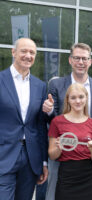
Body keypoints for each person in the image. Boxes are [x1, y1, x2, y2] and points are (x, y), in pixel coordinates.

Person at [43, 43, 92, 200]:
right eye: (77, 58)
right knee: (54, 194)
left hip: (87, 157)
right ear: (70, 60)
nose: (81, 62)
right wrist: (49, 110)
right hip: (62, 153)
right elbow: (52, 118)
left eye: (84, 58)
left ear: (90, 62)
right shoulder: (56, 84)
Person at [0, 38, 48, 200]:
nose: (28, 55)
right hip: (3, 156)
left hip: (30, 158)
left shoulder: (40, 86)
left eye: (32, 52)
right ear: (13, 52)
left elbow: (40, 126)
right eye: (24, 51)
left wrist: (43, 162)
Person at [48, 83, 92, 200]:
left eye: (81, 97)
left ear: (86, 98)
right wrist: (58, 148)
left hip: (88, 176)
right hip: (66, 176)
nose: (78, 101)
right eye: (73, 98)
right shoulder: (57, 122)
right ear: (67, 100)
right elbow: (52, 155)